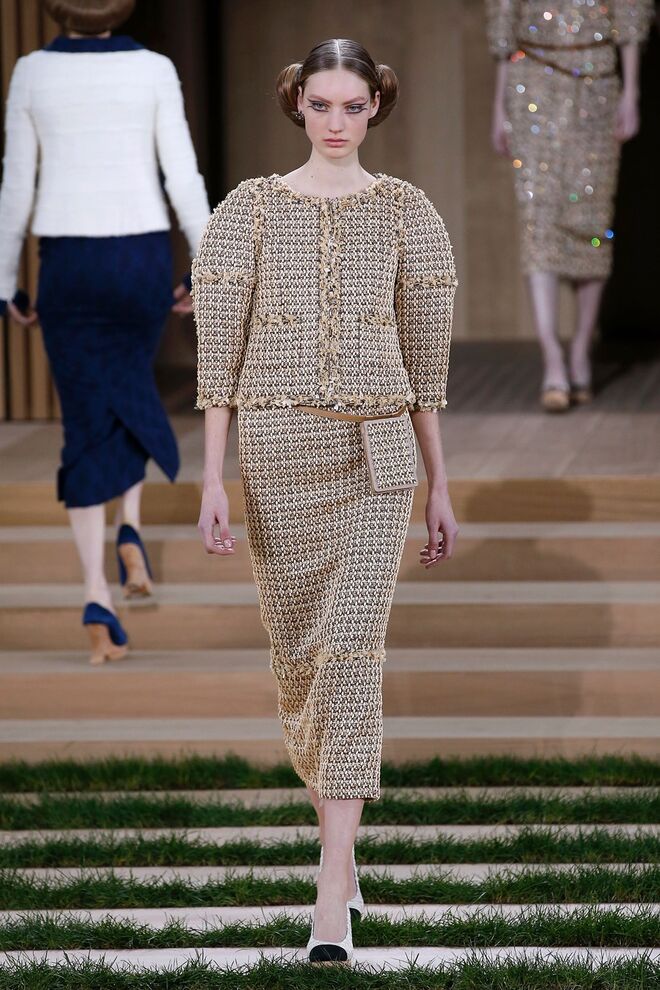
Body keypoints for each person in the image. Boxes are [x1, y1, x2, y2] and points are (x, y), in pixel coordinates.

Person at [193, 37, 459, 963]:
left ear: (376, 104)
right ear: (296, 103)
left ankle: (330, 892)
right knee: (303, 665)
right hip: (276, 455)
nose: (337, 122)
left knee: (350, 653)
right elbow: (218, 360)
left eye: (353, 105)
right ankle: (343, 858)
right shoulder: (248, 211)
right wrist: (212, 479)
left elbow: (427, 369)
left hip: (378, 456)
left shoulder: (410, 214)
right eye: (321, 105)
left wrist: (441, 485)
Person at [0, 0, 210, 663]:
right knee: (128, 385)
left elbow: (16, 186)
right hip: (139, 257)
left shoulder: (32, 71)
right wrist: (208, 266)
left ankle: (97, 594)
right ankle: (131, 528)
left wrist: (5, 283)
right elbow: (182, 176)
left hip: (69, 261)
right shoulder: (154, 68)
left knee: (87, 416)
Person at [486, 0, 653, 411]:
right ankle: (552, 358)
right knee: (537, 218)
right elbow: (504, 14)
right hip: (530, 78)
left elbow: (630, 10)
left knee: (592, 219)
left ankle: (580, 349)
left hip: (597, 83)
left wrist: (631, 90)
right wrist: (498, 102)